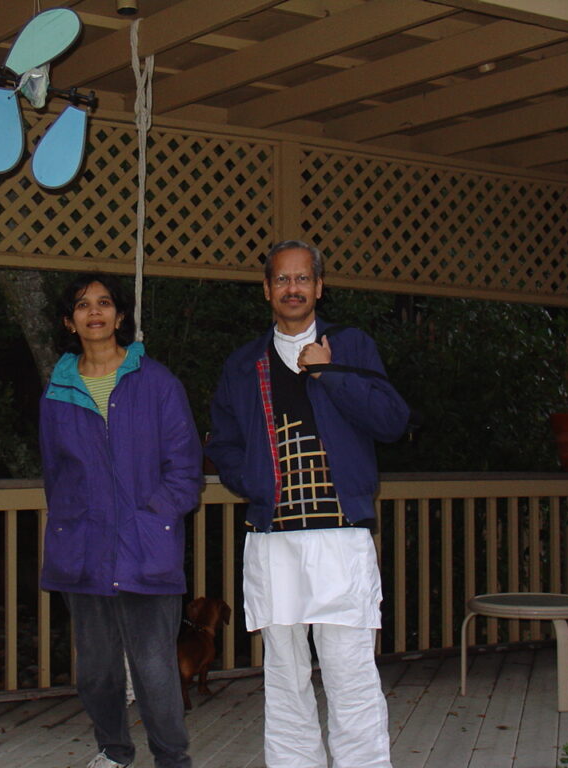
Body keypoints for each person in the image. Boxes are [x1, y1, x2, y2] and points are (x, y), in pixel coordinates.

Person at [205, 240, 410, 768]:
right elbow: (222, 440)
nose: (292, 288)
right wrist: (249, 479)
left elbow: (391, 421)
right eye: (282, 279)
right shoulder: (242, 364)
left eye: (302, 279)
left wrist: (328, 372)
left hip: (340, 535)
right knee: (284, 674)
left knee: (350, 671)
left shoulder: (351, 345)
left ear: (319, 287)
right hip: (273, 536)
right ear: (267, 289)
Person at [39, 272, 202, 768]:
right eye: (83, 305)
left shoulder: (157, 383)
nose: (95, 312)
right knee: (97, 670)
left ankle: (172, 758)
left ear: (120, 315)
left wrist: (154, 516)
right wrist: (71, 522)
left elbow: (186, 467)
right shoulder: (58, 392)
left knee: (155, 668)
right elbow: (55, 473)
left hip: (146, 546)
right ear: (70, 321)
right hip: (83, 550)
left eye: (105, 302)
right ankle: (113, 751)